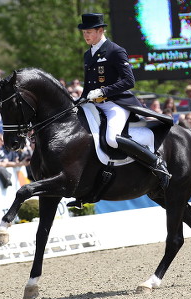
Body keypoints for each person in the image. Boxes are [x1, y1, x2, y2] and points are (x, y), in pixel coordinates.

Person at [77, 13, 170, 189]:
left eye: (89, 32)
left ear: (100, 30)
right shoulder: (87, 55)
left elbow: (129, 81)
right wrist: (80, 99)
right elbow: (89, 85)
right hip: (94, 104)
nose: (86, 36)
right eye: (84, 33)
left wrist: (104, 90)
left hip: (115, 104)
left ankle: (157, 163)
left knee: (112, 138)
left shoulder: (115, 50)